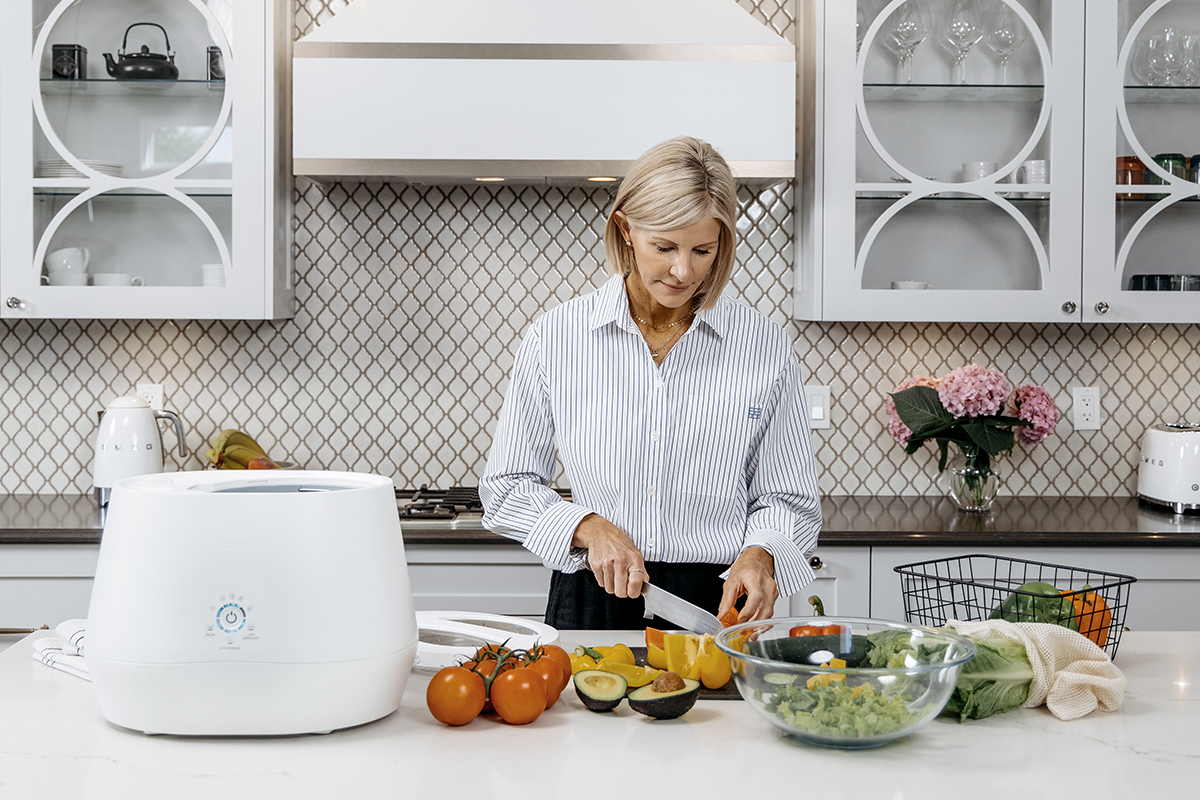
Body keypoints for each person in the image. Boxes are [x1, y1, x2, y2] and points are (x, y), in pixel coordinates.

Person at [479, 136, 821, 630]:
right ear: (626, 230)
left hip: (720, 599)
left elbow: (787, 497)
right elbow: (507, 487)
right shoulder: (558, 336)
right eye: (664, 247)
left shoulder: (762, 345)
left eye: (703, 249)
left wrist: (762, 553)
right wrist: (586, 526)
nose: (684, 271)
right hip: (593, 593)